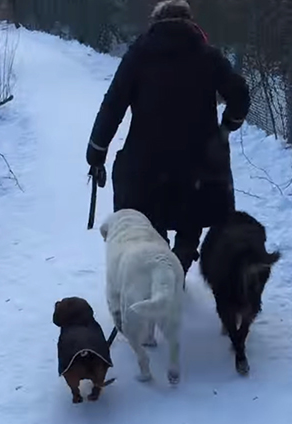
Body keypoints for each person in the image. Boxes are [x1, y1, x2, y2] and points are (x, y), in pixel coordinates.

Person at [85, 0, 250, 279]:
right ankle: (182, 256)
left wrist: (96, 152)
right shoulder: (208, 56)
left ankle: (160, 259)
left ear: (155, 22)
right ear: (190, 23)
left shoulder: (138, 55)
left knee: (149, 212)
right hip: (199, 161)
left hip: (147, 162)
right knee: (192, 212)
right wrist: (227, 126)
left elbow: (113, 105)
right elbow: (240, 95)